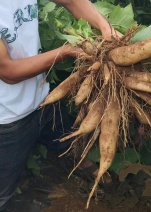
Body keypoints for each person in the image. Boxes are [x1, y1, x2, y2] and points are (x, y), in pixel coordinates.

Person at [0, 0, 121, 210]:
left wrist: (106, 28)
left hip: (42, 97)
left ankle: (90, 167)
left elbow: (71, 1)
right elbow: (7, 71)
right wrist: (66, 52)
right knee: (4, 188)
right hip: (8, 118)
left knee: (66, 137)